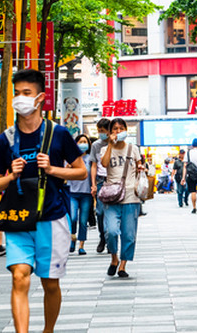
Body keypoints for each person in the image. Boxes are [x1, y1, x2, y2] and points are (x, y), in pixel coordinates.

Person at [0, 69, 86, 333]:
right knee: (19, 277)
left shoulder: (59, 134)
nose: (20, 98)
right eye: (17, 93)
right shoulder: (5, 139)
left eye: (26, 93)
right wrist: (10, 176)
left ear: (41, 97)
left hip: (52, 218)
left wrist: (53, 169)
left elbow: (81, 171)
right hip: (18, 220)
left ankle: (48, 330)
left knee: (50, 282)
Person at [100, 118, 143, 278]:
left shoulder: (133, 149)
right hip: (112, 196)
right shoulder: (105, 149)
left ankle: (123, 265)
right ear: (110, 133)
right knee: (110, 231)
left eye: (121, 128)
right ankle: (114, 258)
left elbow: (140, 165)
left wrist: (141, 168)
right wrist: (111, 144)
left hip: (131, 196)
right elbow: (104, 165)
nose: (118, 131)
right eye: (114, 129)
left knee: (129, 234)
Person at [67, 133, 94, 255]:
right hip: (72, 192)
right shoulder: (71, 158)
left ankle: (81, 245)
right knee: (72, 218)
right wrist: (67, 168)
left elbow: (93, 173)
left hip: (86, 193)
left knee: (83, 221)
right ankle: (72, 239)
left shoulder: (90, 158)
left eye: (85, 142)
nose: (83, 144)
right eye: (80, 142)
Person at [91, 118, 112, 253]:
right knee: (99, 212)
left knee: (112, 212)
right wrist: (93, 184)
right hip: (100, 181)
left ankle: (110, 239)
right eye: (99, 131)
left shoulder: (116, 144)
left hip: (113, 181)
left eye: (103, 131)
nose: (100, 134)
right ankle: (102, 237)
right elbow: (94, 165)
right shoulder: (96, 145)